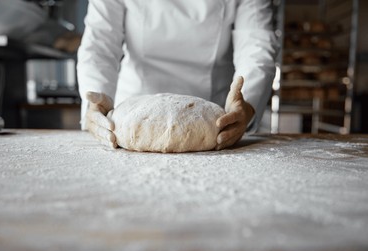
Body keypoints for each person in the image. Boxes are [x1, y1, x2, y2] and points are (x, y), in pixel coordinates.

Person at [77, 0, 278, 150]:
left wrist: (246, 105)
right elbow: (98, 46)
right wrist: (95, 100)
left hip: (214, 119)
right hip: (132, 117)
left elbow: (256, 44)